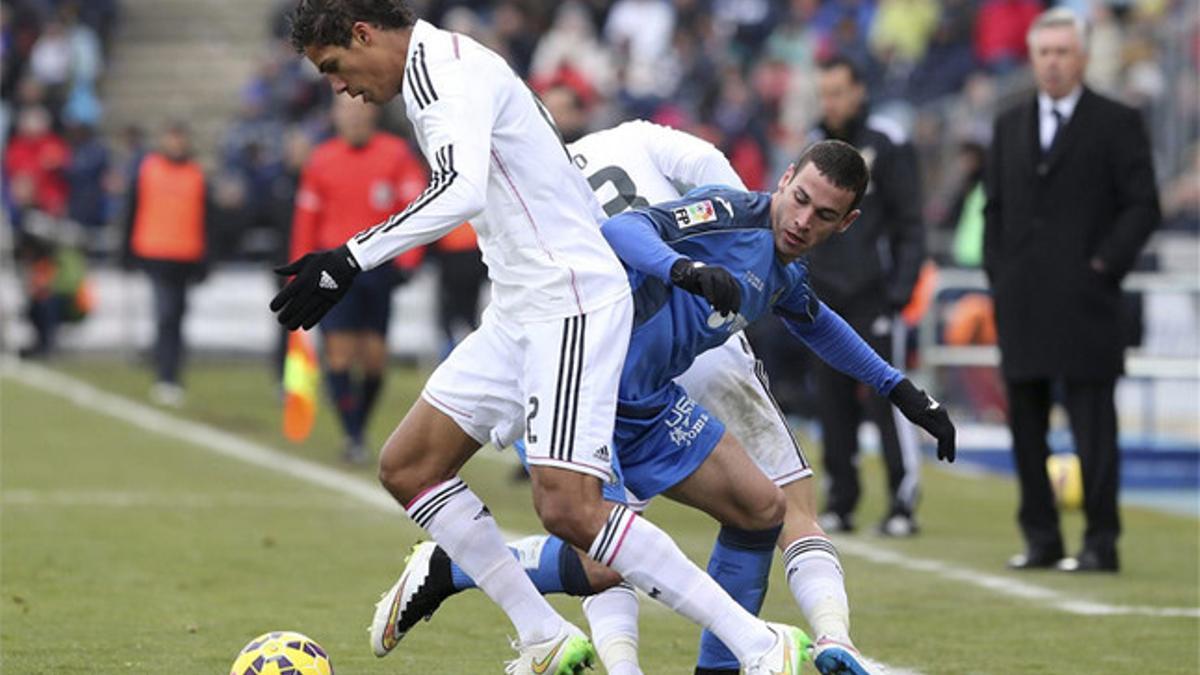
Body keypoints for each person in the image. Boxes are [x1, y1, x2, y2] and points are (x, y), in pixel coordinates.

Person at [279, 3, 808, 672]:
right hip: (521, 307)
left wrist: (349, 258)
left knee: (570, 508)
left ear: (362, 34)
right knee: (409, 465)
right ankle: (544, 635)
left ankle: (761, 643)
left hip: (570, 300)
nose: (339, 87)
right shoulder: (435, 71)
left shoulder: (446, 74)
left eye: (334, 68)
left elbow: (460, 190)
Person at [383, 136, 956, 675]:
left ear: (846, 222)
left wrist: (899, 389)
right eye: (801, 199)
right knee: (602, 566)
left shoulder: (781, 271)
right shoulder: (728, 214)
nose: (804, 221)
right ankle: (452, 568)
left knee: (761, 508)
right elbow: (627, 229)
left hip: (649, 402)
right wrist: (684, 269)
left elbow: (818, 323)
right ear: (785, 180)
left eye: (825, 215)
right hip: (586, 385)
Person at [983, 7, 1160, 573]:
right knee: (1026, 428)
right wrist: (1000, 273)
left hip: (1088, 304)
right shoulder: (1009, 123)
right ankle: (1042, 538)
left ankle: (1101, 542)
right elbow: (995, 208)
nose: (1053, 62)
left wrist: (1104, 265)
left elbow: (1142, 205)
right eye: (1044, 52)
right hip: (1023, 301)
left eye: (1063, 52)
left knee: (1094, 429)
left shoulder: (1116, 121)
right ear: (1032, 58)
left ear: (1082, 57)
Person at [804, 56, 927, 537]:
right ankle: (841, 498)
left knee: (887, 394)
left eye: (837, 91)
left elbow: (909, 223)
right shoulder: (814, 144)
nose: (830, 102)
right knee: (830, 401)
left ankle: (902, 500)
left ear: (858, 91)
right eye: (824, 92)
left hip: (874, 294)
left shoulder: (888, 142)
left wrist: (900, 290)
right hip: (822, 294)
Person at [289, 95, 426, 463]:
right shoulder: (321, 160)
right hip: (334, 266)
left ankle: (358, 428)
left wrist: (409, 260)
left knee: (375, 359)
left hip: (377, 266)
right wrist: (300, 269)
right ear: (335, 117)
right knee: (339, 353)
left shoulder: (395, 154)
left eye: (358, 110)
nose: (352, 118)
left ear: (373, 112)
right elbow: (306, 219)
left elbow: (415, 207)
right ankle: (353, 434)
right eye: (344, 112)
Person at [120, 122, 210, 407]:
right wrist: (127, 251)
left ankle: (170, 369)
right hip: (156, 251)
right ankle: (166, 373)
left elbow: (206, 218)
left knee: (177, 315)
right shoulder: (149, 169)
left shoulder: (195, 174)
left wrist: (205, 259)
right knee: (166, 313)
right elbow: (132, 209)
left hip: (185, 254)